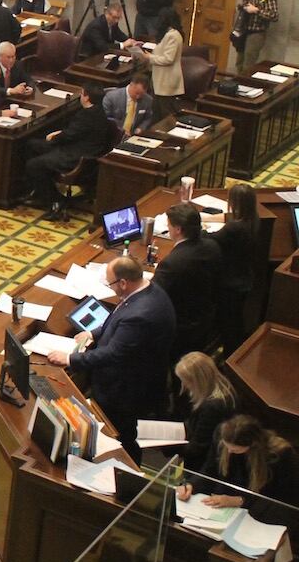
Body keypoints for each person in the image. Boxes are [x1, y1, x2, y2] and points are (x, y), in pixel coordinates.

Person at [47, 256, 176, 457]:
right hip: (135, 379)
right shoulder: (149, 290)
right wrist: (93, 334)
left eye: (111, 284)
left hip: (126, 392)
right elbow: (117, 318)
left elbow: (114, 353)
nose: (111, 288)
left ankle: (125, 468)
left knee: (123, 438)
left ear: (123, 283)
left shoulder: (140, 315)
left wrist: (70, 359)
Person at [176, 416, 299, 521]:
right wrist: (191, 484)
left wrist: (239, 501)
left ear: (253, 445)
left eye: (235, 449)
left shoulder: (279, 455)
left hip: (260, 512)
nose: (229, 451)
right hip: (225, 503)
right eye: (227, 446)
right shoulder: (221, 434)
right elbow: (210, 469)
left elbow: (279, 497)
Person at [23, 83, 113, 219]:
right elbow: (76, 132)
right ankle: (38, 192)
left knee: (34, 165)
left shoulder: (86, 115)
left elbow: (69, 136)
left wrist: (53, 137)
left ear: (86, 97)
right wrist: (58, 135)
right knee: (32, 145)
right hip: (83, 150)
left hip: (76, 157)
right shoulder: (100, 112)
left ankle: (55, 200)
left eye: (82, 93)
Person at [153, 202, 223, 358]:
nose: (168, 227)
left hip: (181, 328)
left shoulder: (172, 263)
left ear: (178, 229)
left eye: (169, 225)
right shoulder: (212, 246)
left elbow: (153, 296)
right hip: (204, 319)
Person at [212, 182, 263, 354]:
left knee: (229, 325)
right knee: (235, 321)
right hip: (244, 278)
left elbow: (211, 238)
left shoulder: (235, 227)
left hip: (230, 284)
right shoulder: (253, 220)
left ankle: (229, 358)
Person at [173, 352, 239, 471]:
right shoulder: (225, 388)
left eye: (186, 381)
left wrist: (170, 447)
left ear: (198, 381)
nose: (184, 385)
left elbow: (199, 446)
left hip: (203, 465)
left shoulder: (212, 407)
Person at [124, 6, 184, 119]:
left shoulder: (173, 35)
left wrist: (149, 57)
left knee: (164, 113)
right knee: (156, 111)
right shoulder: (168, 34)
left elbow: (168, 59)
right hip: (160, 79)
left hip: (166, 80)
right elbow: (162, 51)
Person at [234, 0, 279, 71]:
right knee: (239, 61)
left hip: (257, 33)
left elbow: (274, 16)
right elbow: (245, 2)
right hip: (244, 29)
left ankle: (245, 80)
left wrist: (256, 10)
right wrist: (242, 7)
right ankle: (238, 79)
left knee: (248, 63)